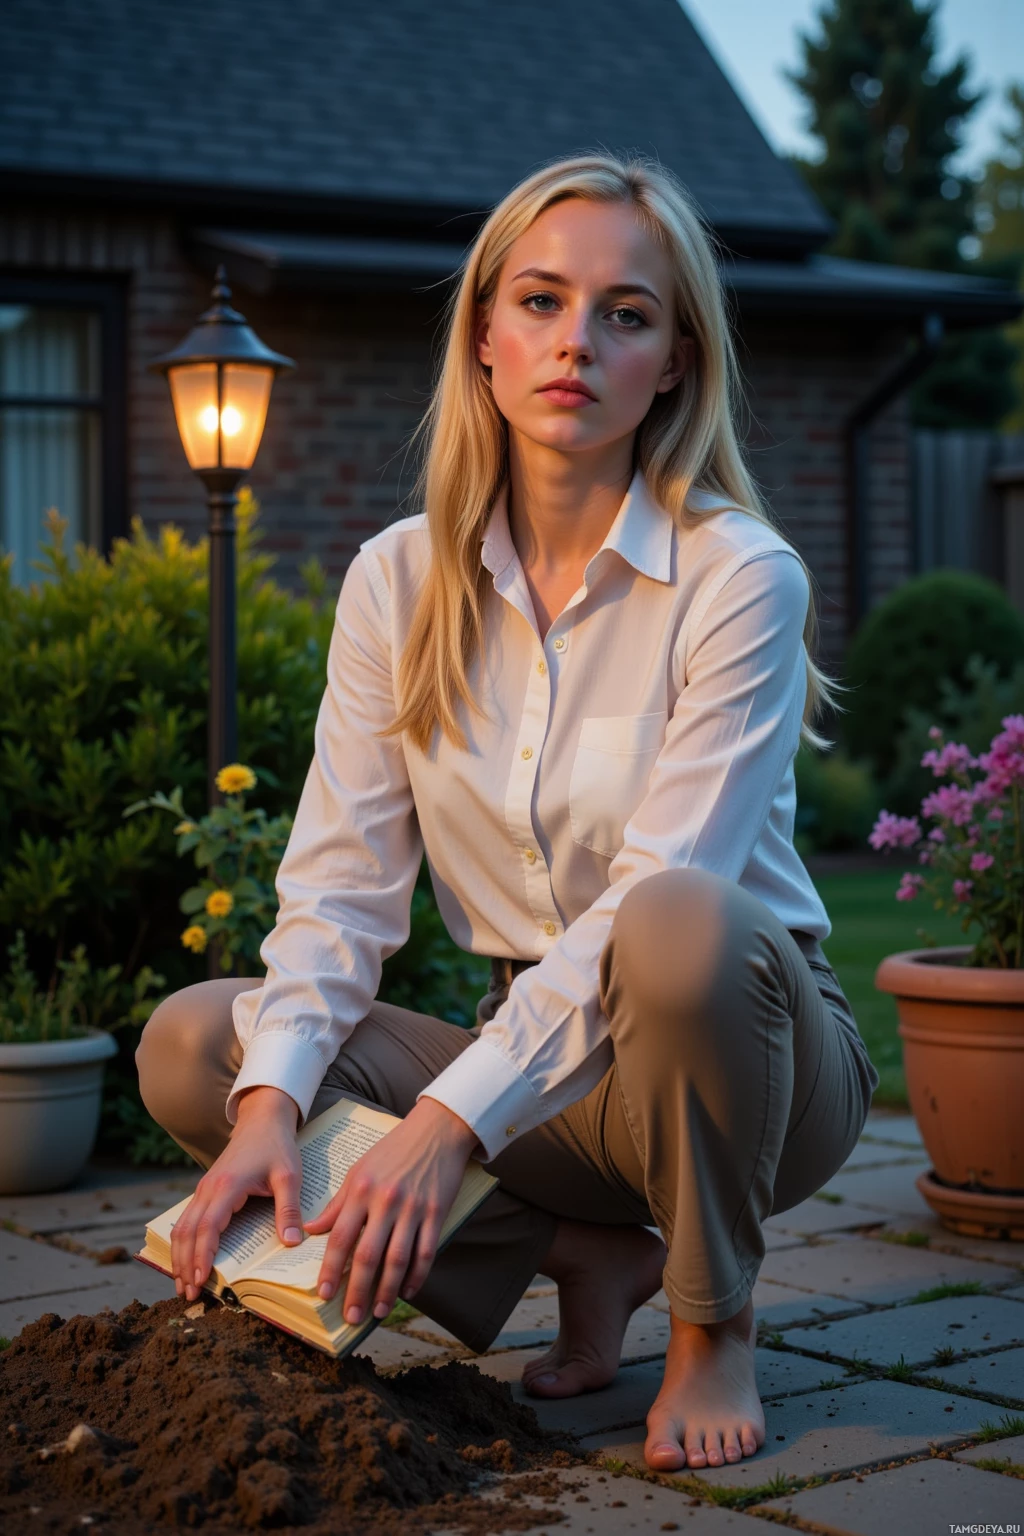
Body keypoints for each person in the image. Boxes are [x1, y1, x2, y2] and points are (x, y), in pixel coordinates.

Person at [136, 153, 878, 1473]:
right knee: (201, 1049)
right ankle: (587, 1259)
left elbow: (667, 892)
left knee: (675, 922)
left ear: (676, 361)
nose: (575, 343)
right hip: (538, 1077)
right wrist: (267, 1119)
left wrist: (442, 1129)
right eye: (539, 300)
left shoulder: (737, 578)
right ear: (482, 335)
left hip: (740, 1049)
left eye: (625, 313)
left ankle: (716, 1321)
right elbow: (342, 889)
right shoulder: (395, 580)